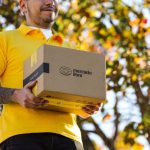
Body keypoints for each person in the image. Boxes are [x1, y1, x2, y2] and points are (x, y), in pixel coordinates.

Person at [0, 0, 102, 149]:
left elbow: (79, 102)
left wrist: (88, 105)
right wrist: (15, 95)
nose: (50, 2)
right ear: (23, 6)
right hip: (21, 136)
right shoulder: (5, 40)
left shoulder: (71, 48)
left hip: (69, 139)